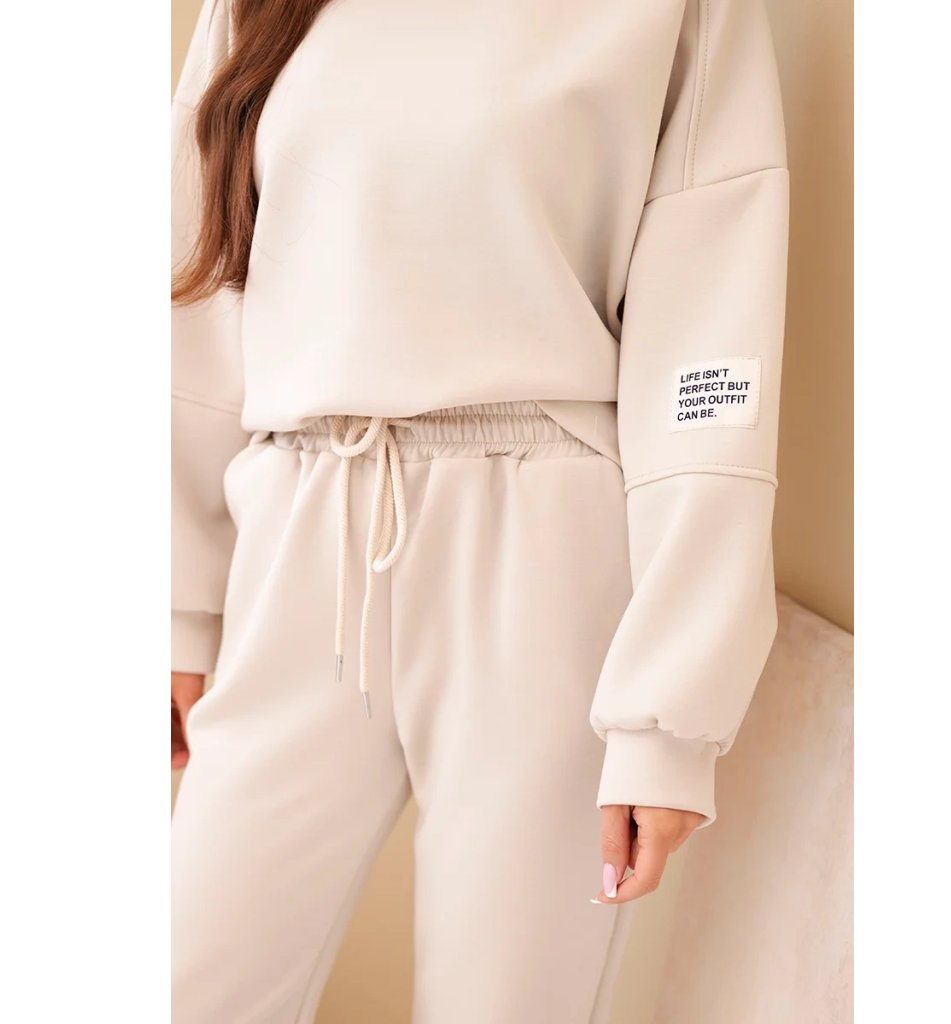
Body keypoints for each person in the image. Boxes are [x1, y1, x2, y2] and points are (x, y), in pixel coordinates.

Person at [170, 0, 790, 1020]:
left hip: (541, 554)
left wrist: (667, 718)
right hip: (300, 527)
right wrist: (178, 601)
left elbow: (708, 350)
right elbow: (197, 279)